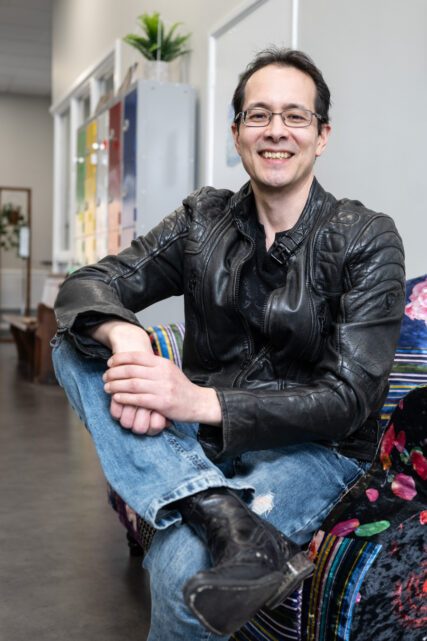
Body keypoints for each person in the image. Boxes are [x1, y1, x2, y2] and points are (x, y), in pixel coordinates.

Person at [53, 48, 405, 640]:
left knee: (180, 572)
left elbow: (353, 398)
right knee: (78, 344)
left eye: (295, 117)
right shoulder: (201, 220)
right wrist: (128, 337)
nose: (276, 131)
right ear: (237, 133)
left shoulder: (366, 237)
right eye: (258, 115)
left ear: (322, 136)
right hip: (203, 442)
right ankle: (221, 513)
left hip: (316, 448)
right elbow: (88, 284)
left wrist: (198, 403)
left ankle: (215, 520)